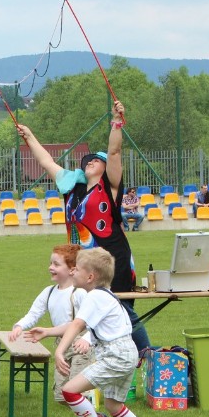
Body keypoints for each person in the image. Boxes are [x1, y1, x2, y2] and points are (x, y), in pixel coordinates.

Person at [15, 100, 151, 354]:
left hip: (112, 260)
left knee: (120, 309)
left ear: (105, 168)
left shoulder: (109, 187)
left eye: (96, 160)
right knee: (88, 312)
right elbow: (46, 162)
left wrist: (116, 122)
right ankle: (102, 358)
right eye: (88, 160)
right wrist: (29, 136)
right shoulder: (72, 188)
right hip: (83, 263)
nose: (90, 162)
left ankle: (147, 354)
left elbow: (114, 152)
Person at [35, 247, 165, 417]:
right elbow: (83, 324)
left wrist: (59, 350)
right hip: (126, 353)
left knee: (69, 391)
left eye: (77, 269)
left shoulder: (94, 296)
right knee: (113, 405)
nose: (73, 272)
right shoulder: (105, 295)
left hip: (115, 356)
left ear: (90, 277)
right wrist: (50, 332)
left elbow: (77, 324)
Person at [10, 244, 108, 417]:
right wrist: (19, 326)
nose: (50, 267)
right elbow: (34, 313)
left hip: (81, 346)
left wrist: (87, 339)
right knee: (61, 395)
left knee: (76, 390)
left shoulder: (79, 293)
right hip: (61, 345)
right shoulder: (49, 292)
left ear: (72, 270)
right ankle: (95, 416)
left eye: (56, 264)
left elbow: (93, 321)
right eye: (50, 263)